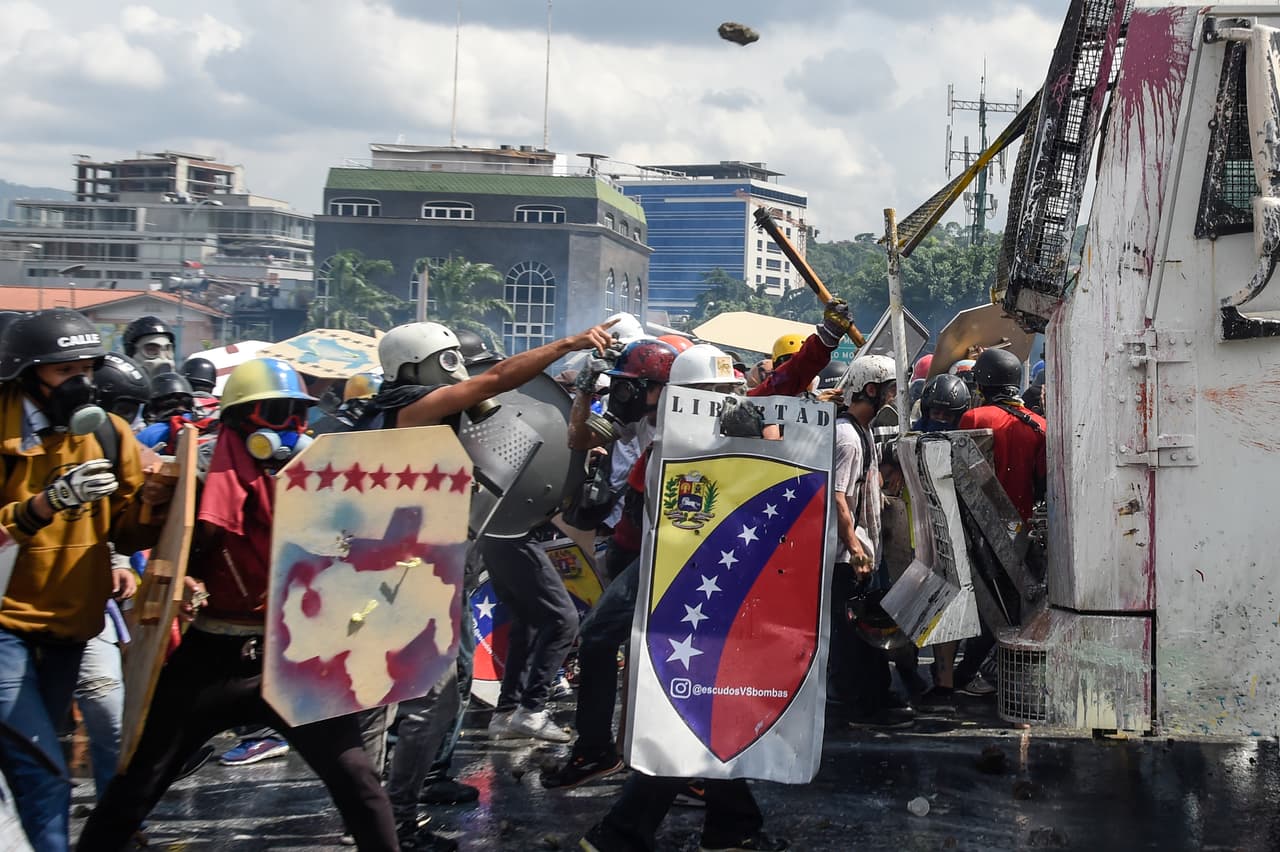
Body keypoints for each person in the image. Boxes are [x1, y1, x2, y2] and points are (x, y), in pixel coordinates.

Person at [78, 357, 403, 852]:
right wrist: (168, 539)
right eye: (276, 413)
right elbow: (158, 539)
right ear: (239, 419)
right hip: (213, 652)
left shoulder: (321, 477)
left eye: (299, 414)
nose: (293, 428)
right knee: (140, 782)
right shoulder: (201, 471)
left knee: (359, 783)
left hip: (297, 652)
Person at [368, 318, 615, 849]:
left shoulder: (403, 411)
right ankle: (396, 824)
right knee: (421, 700)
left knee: (429, 694)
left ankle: (396, 816)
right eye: (446, 360)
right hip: (407, 571)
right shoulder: (405, 409)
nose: (456, 370)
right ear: (413, 366)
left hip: (425, 563)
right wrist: (568, 344)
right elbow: (497, 379)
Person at [0, 309, 169, 852]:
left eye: (87, 367)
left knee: (33, 763)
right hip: (4, 624)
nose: (79, 381)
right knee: (42, 767)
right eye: (62, 370)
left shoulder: (109, 433)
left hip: (70, 625)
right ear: (27, 374)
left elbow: (128, 531)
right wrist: (45, 504)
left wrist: (156, 501)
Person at [926, 348, 1047, 706]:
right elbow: (1041, 481)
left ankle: (960, 678)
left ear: (983, 381)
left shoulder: (977, 416)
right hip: (1019, 531)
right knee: (1014, 607)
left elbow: (961, 475)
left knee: (977, 605)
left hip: (976, 528)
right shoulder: (1040, 426)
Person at [828, 355, 915, 728]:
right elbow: (837, 497)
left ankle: (874, 695)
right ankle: (861, 707)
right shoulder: (847, 437)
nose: (895, 397)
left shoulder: (861, 431)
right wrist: (855, 547)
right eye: (891, 389)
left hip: (862, 550)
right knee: (852, 638)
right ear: (871, 390)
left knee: (866, 631)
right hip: (849, 556)